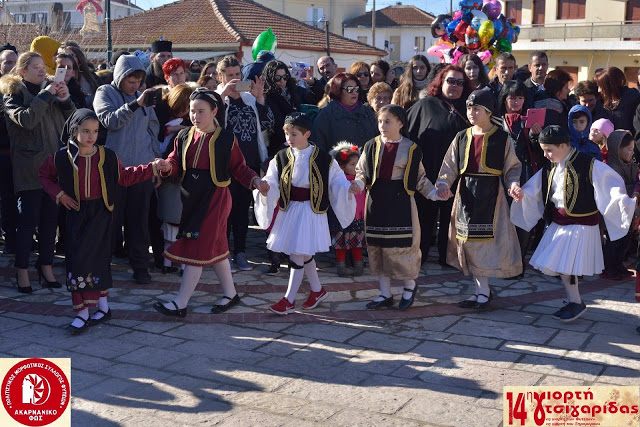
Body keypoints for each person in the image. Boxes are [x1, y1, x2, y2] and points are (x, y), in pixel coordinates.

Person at [39, 109, 160, 334]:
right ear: (74, 131)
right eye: (85, 131)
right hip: (75, 213)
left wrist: (150, 168)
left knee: (99, 260)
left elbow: (125, 177)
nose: (90, 136)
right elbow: (44, 176)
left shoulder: (107, 156)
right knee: (77, 262)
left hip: (101, 213)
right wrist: (60, 195)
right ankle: (82, 312)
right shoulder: (61, 158)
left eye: (94, 131)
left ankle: (103, 308)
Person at [154, 88, 269, 317]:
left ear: (214, 111)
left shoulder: (226, 139)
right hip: (190, 196)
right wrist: (167, 166)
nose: (195, 116)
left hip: (216, 198)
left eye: (201, 111)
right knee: (218, 249)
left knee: (197, 248)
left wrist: (255, 180)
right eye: (192, 111)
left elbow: (239, 167)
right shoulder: (184, 136)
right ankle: (230, 294)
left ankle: (181, 303)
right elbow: (175, 161)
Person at [511, 125, 635, 322]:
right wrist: (522, 193)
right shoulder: (550, 167)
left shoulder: (589, 164)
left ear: (563, 145)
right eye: (543, 150)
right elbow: (534, 188)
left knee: (565, 266)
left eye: (549, 150)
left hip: (581, 225)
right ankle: (574, 301)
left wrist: (625, 201)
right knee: (562, 266)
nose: (546, 154)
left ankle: (576, 302)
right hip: (560, 224)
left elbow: (611, 184)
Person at [254, 113, 358, 315]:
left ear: (307, 134)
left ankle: (289, 300)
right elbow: (272, 178)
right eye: (287, 134)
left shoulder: (323, 158)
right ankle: (317, 291)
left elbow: (335, 180)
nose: (289, 139)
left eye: (293, 134)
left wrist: (347, 187)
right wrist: (266, 187)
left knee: (297, 254)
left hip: (311, 211)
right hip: (290, 209)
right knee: (303, 252)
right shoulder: (281, 156)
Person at [435, 90, 523, 311]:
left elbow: (512, 167)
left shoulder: (502, 138)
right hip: (466, 195)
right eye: (469, 108)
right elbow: (449, 166)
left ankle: (483, 292)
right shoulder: (462, 136)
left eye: (476, 109)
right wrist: (444, 184)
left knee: (484, 244)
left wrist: (513, 184)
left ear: (488, 111)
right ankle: (480, 290)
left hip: (493, 197)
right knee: (467, 243)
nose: (471, 112)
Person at [1, 51, 75, 293]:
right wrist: (47, 94)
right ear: (22, 71)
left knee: (49, 223)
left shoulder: (50, 90)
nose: (42, 70)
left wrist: (65, 100)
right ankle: (22, 271)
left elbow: (71, 123)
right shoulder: (13, 94)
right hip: (29, 170)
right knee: (27, 223)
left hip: (53, 168)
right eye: (35, 67)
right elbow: (27, 120)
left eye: (43, 65)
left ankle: (46, 268)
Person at [354, 105, 439, 310]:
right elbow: (361, 171)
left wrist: (435, 193)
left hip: (400, 203)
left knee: (401, 248)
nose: (382, 126)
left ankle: (409, 287)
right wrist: (357, 184)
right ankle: (385, 294)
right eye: (380, 121)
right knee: (378, 248)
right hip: (376, 201)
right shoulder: (371, 145)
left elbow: (420, 178)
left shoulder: (411, 148)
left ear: (400, 123)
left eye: (387, 121)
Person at [93, 54, 160, 284]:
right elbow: (109, 121)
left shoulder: (144, 98)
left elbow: (153, 130)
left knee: (138, 222)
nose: (134, 85)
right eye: (130, 81)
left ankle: (140, 266)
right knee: (110, 221)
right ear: (119, 76)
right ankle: (103, 267)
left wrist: (155, 164)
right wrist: (133, 105)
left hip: (142, 169)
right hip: (114, 170)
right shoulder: (104, 93)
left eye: (137, 81)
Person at [407, 65, 473, 266]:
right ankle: (420, 255)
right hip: (426, 174)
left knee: (451, 220)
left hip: (457, 176)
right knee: (423, 219)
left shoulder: (469, 109)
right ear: (441, 82)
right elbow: (407, 135)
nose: (455, 86)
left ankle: (448, 256)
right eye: (450, 81)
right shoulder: (425, 105)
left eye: (460, 83)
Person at [215, 55, 274, 271]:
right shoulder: (216, 98)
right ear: (220, 76)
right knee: (225, 213)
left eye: (238, 74)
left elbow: (267, 124)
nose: (235, 79)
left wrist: (259, 99)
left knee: (242, 212)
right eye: (230, 75)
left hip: (249, 164)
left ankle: (240, 253)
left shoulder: (249, 99)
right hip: (225, 165)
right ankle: (223, 255)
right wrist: (222, 96)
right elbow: (212, 123)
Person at [498, 80, 543, 279]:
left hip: (524, 175)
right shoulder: (496, 121)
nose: (515, 102)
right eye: (511, 98)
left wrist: (536, 136)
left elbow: (540, 152)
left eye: (519, 98)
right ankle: (503, 261)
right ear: (504, 99)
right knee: (503, 220)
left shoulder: (530, 121)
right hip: (500, 175)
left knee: (522, 220)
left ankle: (518, 263)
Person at [156, 84, 193, 275]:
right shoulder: (184, 131)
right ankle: (181, 264)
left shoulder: (177, 128)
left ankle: (168, 263)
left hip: (170, 182)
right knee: (180, 228)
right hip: (178, 183)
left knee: (171, 228)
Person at [600, 130, 637, 280]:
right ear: (617, 149)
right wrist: (633, 191)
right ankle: (609, 267)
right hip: (614, 211)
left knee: (626, 239)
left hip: (628, 208)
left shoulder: (629, 165)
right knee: (614, 240)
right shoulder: (611, 167)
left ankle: (618, 264)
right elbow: (615, 189)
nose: (631, 153)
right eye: (629, 149)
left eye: (633, 149)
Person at [310, 72, 377, 152]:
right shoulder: (326, 114)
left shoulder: (367, 112)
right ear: (338, 90)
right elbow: (319, 145)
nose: (354, 92)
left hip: (365, 162)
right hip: (337, 162)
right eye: (349, 89)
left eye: (356, 89)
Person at [328, 142, 366, 277]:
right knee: (341, 244)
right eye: (352, 164)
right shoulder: (338, 181)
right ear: (342, 167)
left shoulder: (361, 180)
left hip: (357, 217)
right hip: (340, 217)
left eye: (358, 163)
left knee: (357, 243)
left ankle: (358, 265)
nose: (356, 167)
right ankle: (341, 266)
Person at [262, 60, 313, 157]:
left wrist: (312, 84)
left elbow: (315, 99)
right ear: (270, 79)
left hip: (299, 143)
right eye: (277, 78)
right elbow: (274, 126)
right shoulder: (267, 96)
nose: (282, 81)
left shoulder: (294, 91)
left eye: (285, 77)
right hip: (279, 146)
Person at [0, 46, 18, 255]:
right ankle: (10, 239)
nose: (11, 66)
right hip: (4, 154)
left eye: (15, 62)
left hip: (21, 155)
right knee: (7, 198)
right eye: (7, 62)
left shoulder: (21, 89)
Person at [594, 67, 640, 134]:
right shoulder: (601, 102)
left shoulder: (634, 100)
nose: (599, 90)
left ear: (611, 86)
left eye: (602, 86)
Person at [58, 42, 101, 107]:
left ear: (79, 59)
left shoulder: (94, 81)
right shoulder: (52, 83)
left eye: (70, 55)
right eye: (60, 55)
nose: (64, 58)